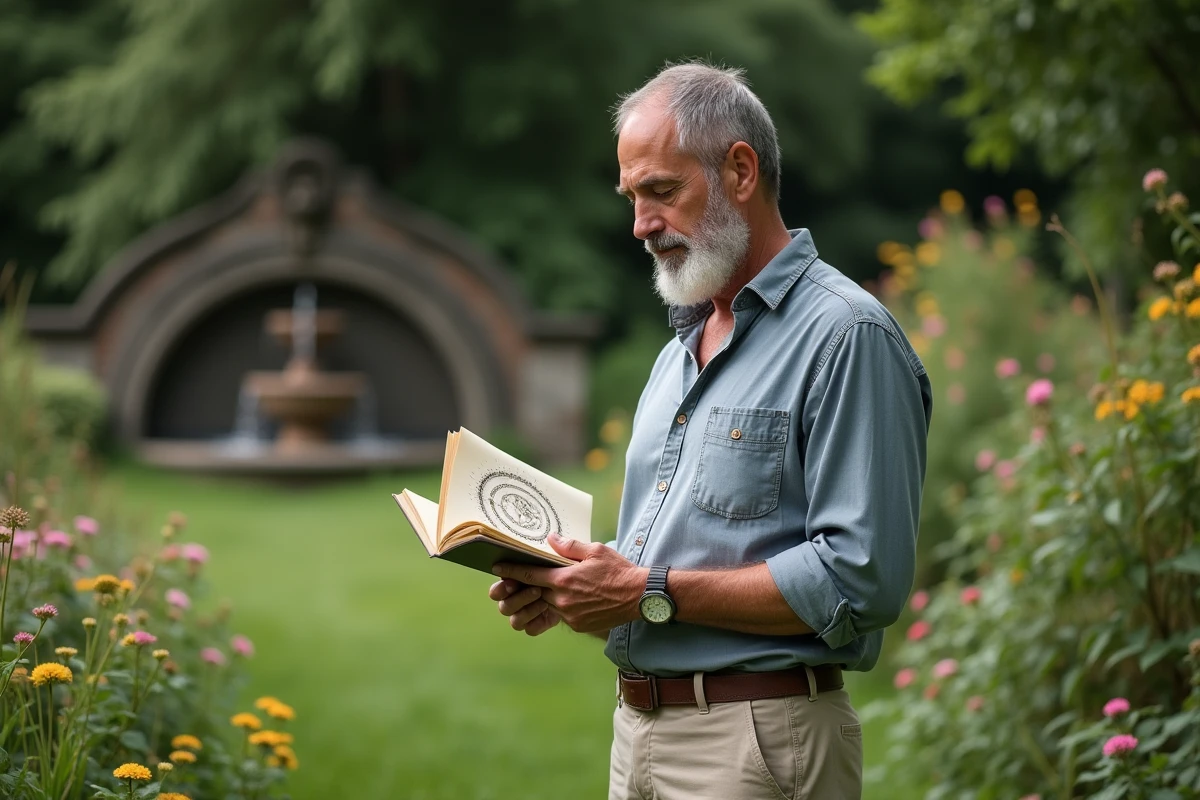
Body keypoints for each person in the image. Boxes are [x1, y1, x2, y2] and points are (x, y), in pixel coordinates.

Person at [489, 61, 933, 800]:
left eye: (663, 191)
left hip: (760, 742)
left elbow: (861, 579)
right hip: (637, 739)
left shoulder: (846, 335)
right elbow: (669, 568)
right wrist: (575, 586)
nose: (640, 225)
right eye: (632, 198)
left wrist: (643, 590)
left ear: (739, 171)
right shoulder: (677, 353)